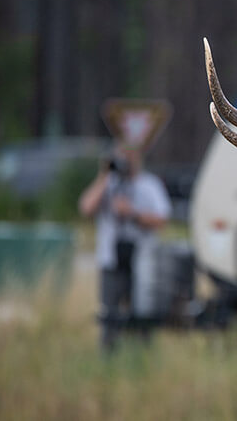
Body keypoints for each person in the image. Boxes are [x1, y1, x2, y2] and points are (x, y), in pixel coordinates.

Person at [79, 144, 171, 351]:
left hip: (142, 260)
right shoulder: (108, 185)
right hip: (111, 260)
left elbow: (162, 220)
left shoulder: (149, 185)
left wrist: (132, 213)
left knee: (142, 310)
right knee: (109, 313)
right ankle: (109, 354)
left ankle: (141, 355)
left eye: (130, 156)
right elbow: (86, 207)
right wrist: (104, 175)